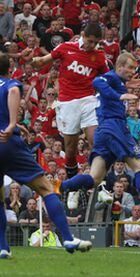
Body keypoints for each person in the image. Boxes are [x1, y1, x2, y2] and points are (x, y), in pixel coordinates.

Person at [0, 52, 91, 259]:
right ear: (9, 69)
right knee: (46, 188)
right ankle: (68, 238)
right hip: (5, 142)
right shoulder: (8, 83)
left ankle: (4, 249)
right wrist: (13, 124)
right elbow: (14, 91)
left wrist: (15, 127)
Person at [61, 52, 140, 223]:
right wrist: (121, 96)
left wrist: (124, 88)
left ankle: (63, 186)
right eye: (130, 67)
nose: (133, 71)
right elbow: (97, 81)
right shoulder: (109, 77)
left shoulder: (118, 82)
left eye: (135, 68)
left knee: (94, 179)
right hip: (114, 127)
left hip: (103, 131)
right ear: (119, 67)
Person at [30, 23, 109, 178]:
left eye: (96, 43)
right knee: (70, 150)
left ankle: (99, 183)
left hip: (89, 100)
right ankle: (72, 184)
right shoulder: (65, 47)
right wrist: (33, 60)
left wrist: (124, 82)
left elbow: (109, 77)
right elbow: (41, 62)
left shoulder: (99, 57)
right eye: (90, 41)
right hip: (67, 103)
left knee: (96, 141)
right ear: (83, 35)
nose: (93, 45)